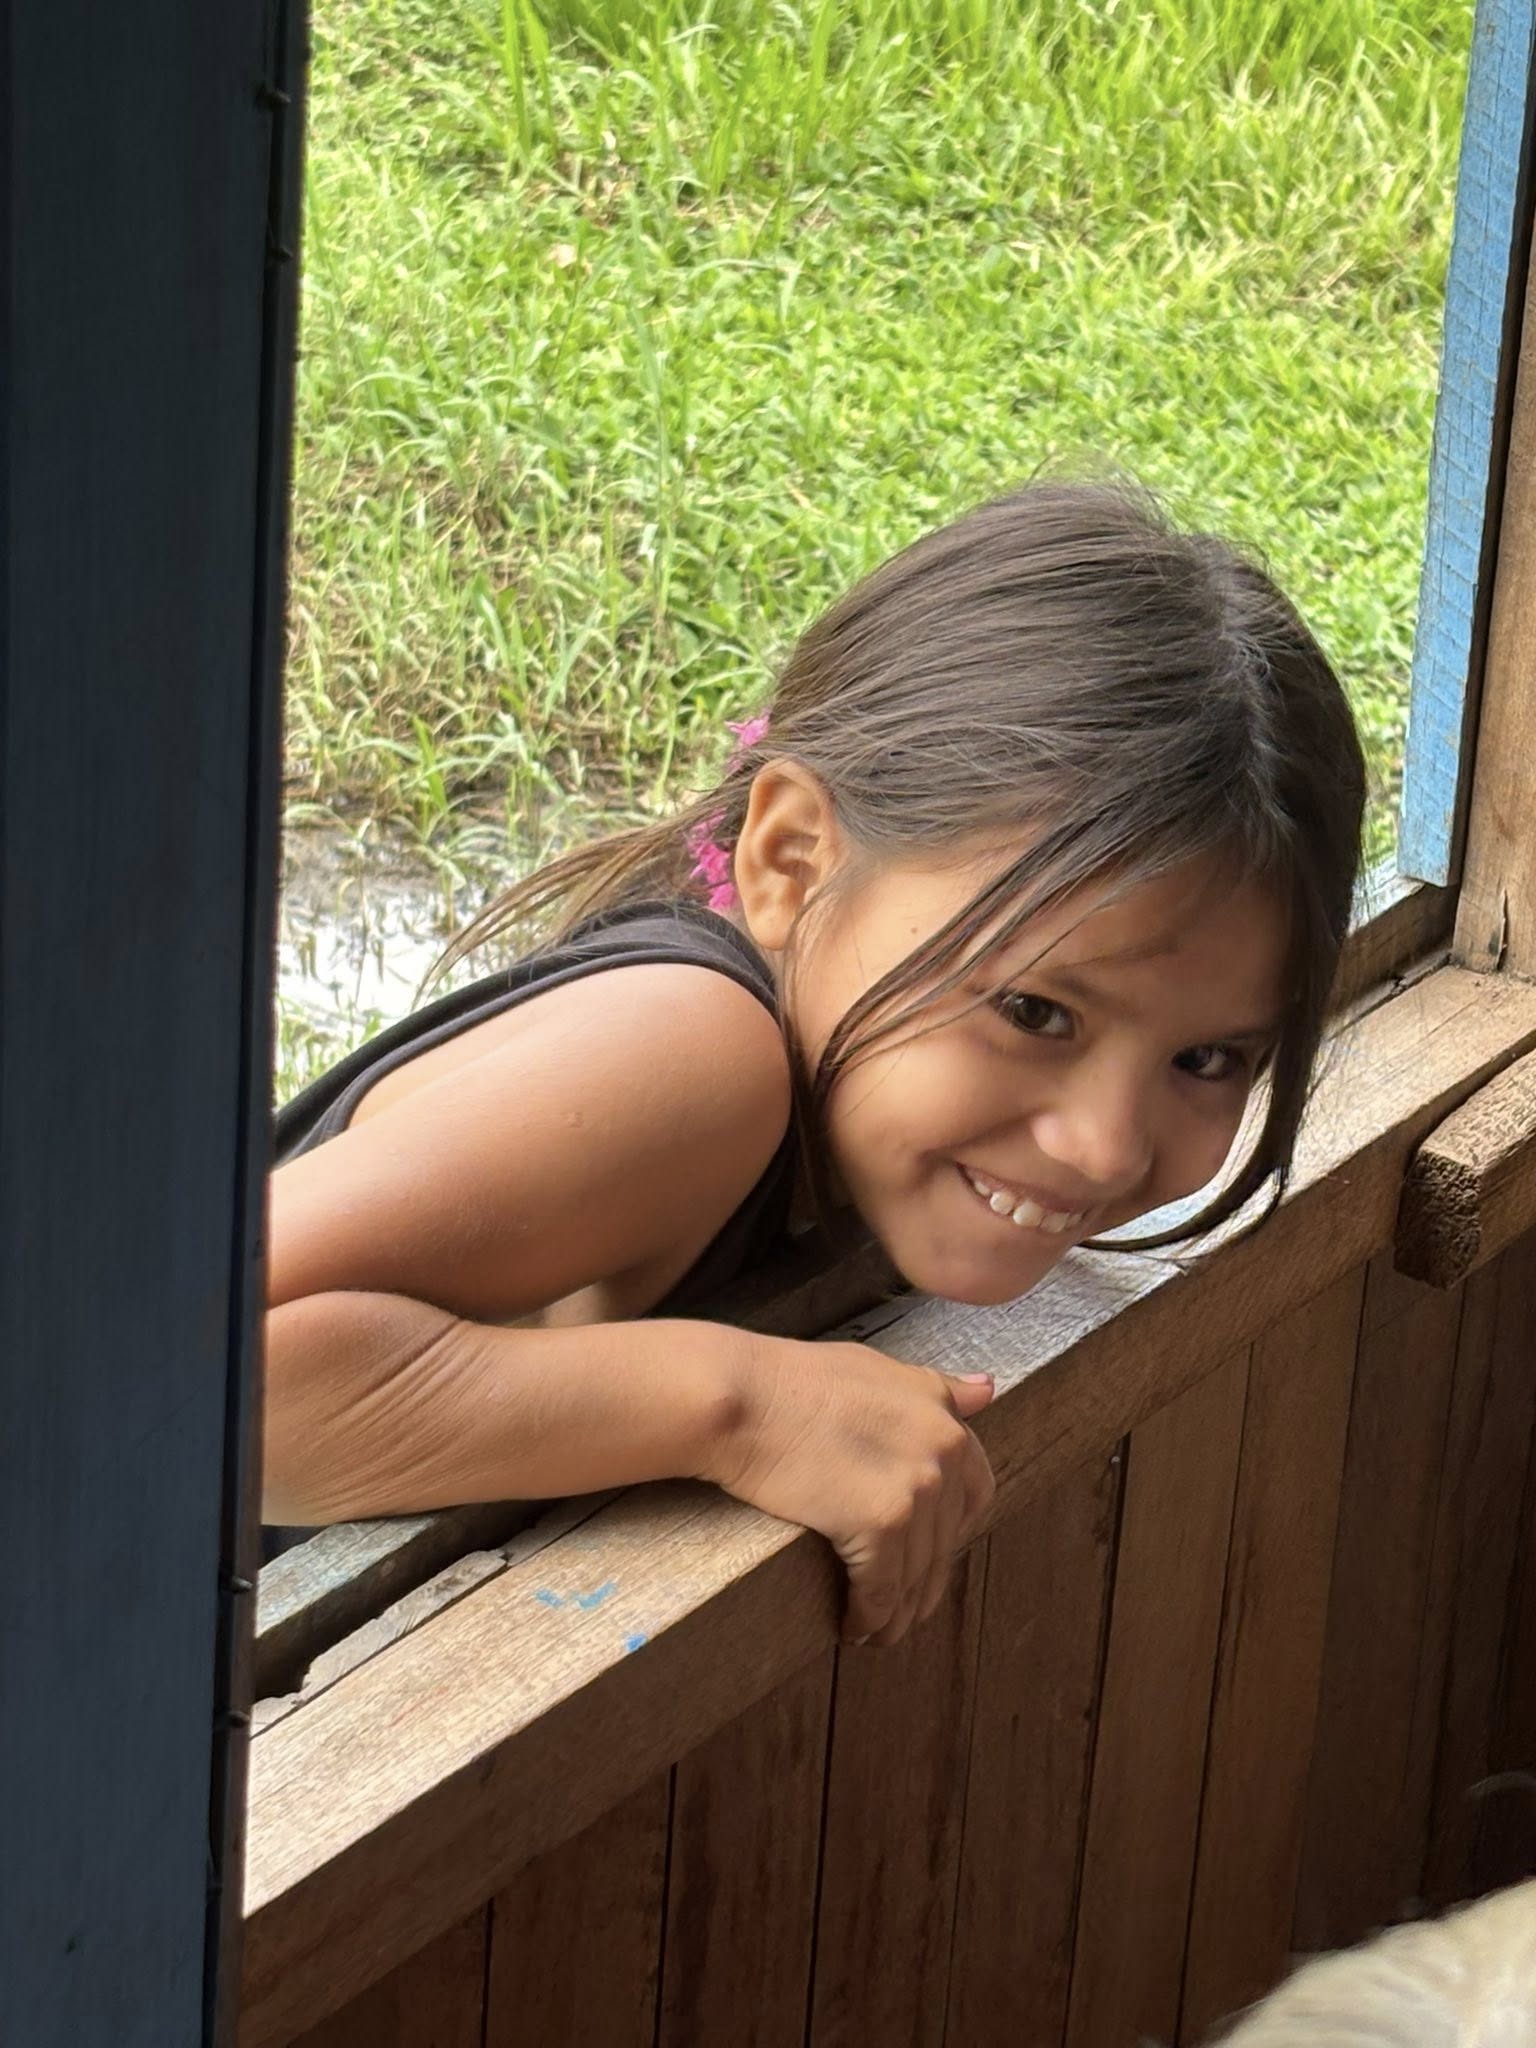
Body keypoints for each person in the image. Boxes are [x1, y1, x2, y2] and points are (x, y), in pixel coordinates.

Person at [262, 477, 1365, 1648]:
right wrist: (740, 1405)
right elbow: (181, 1374)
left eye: (1207, 1056)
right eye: (1036, 1011)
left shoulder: (830, 1093)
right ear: (791, 861)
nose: (1104, 1143)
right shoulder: (695, 1056)